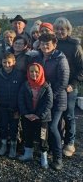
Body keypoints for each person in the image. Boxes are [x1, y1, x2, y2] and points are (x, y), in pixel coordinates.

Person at [31, 33, 69, 170]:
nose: (45, 46)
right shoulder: (38, 57)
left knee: (53, 127)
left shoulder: (60, 59)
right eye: (42, 43)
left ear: (54, 44)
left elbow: (63, 81)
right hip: (42, 98)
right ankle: (46, 152)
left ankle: (58, 158)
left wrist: (51, 96)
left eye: (48, 44)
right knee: (44, 127)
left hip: (58, 99)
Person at [53, 17, 83, 157]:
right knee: (56, 116)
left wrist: (73, 84)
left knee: (69, 115)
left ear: (68, 30)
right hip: (55, 86)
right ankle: (58, 141)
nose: (59, 31)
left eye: (62, 29)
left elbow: (81, 68)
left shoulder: (75, 46)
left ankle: (69, 143)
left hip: (70, 87)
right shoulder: (53, 43)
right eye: (57, 29)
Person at [18, 63, 53, 169]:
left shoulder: (46, 86)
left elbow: (49, 103)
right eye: (31, 71)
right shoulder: (25, 85)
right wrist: (26, 113)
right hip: (28, 117)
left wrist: (39, 115)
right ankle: (28, 153)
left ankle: (44, 156)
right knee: (27, 134)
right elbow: (21, 100)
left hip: (42, 119)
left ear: (41, 72)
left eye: (36, 72)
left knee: (43, 137)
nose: (34, 74)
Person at [0, 53, 24, 158]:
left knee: (14, 127)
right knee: (3, 126)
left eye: (9, 62)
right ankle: (3, 145)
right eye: (4, 62)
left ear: (14, 62)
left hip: (15, 107)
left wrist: (19, 106)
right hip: (3, 106)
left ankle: (13, 147)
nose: (7, 65)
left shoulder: (19, 75)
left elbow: (22, 91)